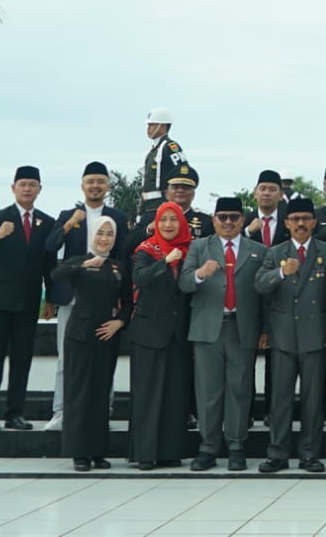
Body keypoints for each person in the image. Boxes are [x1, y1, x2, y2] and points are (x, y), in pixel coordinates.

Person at [180, 196, 267, 471]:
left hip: (242, 327)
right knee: (208, 390)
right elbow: (183, 283)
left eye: (234, 217)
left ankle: (236, 445)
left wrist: (264, 329)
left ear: (243, 220)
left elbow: (265, 294)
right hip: (208, 328)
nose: (228, 222)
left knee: (239, 389)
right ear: (214, 220)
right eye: (222, 217)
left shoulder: (258, 249)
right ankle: (207, 447)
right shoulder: (198, 247)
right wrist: (200, 274)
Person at [255, 196, 326, 474]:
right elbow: (260, 287)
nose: (300, 224)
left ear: (314, 222)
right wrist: (280, 272)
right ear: (287, 223)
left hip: (315, 337)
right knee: (280, 400)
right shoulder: (275, 252)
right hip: (282, 337)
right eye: (295, 219)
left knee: (313, 400)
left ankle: (310, 455)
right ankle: (277, 454)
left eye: (305, 219)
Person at [42, 161, 129, 431]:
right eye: (90, 181)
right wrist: (69, 225)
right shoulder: (69, 215)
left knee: (104, 356)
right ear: (82, 185)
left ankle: (105, 409)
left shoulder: (118, 217)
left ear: (108, 186)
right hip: (72, 297)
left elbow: (123, 257)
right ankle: (62, 411)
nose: (95, 186)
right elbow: (50, 246)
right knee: (66, 358)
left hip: (104, 298)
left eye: (100, 181)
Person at [0, 165, 56, 432]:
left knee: (22, 359)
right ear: (13, 188)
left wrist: (51, 298)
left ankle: (15, 413)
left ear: (39, 189)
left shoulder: (47, 222)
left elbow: (49, 264)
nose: (27, 189)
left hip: (28, 302)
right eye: (23, 185)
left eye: (33, 185)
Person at [51, 217, 128, 471]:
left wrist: (120, 323)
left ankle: (97, 451)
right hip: (80, 335)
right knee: (79, 394)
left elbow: (129, 302)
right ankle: (78, 452)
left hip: (107, 336)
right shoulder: (78, 261)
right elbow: (57, 275)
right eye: (100, 233)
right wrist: (84, 264)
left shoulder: (118, 267)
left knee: (100, 394)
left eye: (109, 234)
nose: (104, 238)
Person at [127, 201, 193, 470]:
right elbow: (140, 278)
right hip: (149, 333)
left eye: (173, 220)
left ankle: (169, 451)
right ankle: (145, 454)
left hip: (178, 334)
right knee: (147, 394)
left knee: (174, 394)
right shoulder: (146, 250)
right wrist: (165, 262)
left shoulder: (190, 251)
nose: (168, 225)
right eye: (163, 219)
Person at [245, 169, 287, 424]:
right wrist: (248, 232)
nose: (267, 193)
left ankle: (273, 411)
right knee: (246, 358)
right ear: (255, 193)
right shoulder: (243, 221)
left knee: (278, 359)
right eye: (263, 188)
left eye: (273, 189)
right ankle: (247, 410)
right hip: (248, 297)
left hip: (281, 297)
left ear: (280, 194)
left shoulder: (290, 221)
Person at [128, 165, 210, 247]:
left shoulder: (206, 223)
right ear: (166, 193)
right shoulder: (149, 218)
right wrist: (149, 229)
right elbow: (127, 245)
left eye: (186, 188)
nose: (180, 190)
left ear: (193, 194)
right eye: (175, 187)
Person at [140, 107, 188, 211]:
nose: (148, 129)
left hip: (163, 206)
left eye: (152, 125)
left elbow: (184, 174)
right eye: (148, 125)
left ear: (163, 126)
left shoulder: (169, 147)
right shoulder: (153, 151)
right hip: (148, 207)